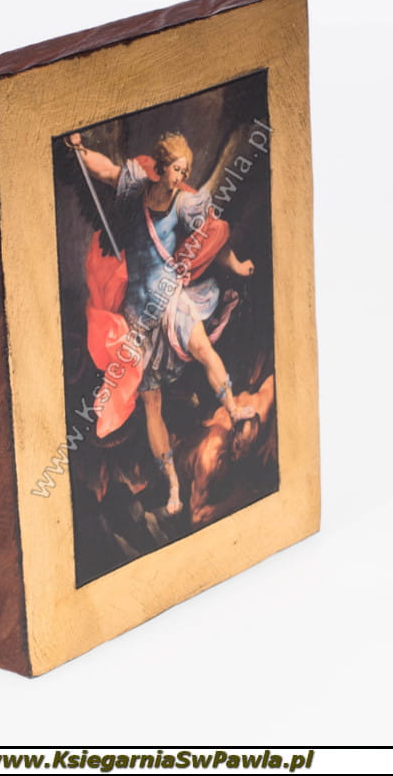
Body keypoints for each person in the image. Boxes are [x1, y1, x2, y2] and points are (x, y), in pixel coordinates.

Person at [68, 131, 255, 516]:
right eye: (177, 169)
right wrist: (80, 150)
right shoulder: (136, 191)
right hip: (137, 315)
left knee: (203, 348)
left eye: (185, 171)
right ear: (162, 166)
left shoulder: (185, 204)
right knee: (151, 403)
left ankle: (234, 408)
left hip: (171, 300)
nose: (181, 176)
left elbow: (212, 240)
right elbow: (105, 171)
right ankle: (173, 487)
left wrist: (236, 265)